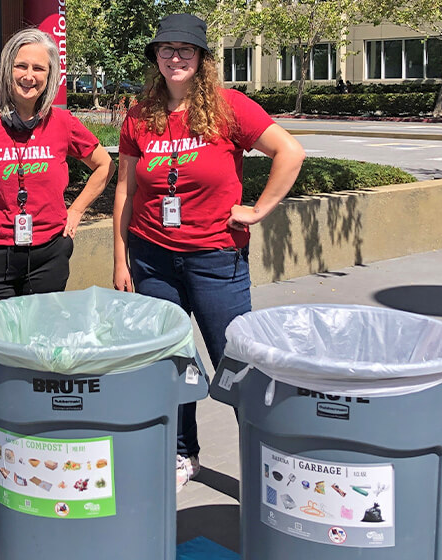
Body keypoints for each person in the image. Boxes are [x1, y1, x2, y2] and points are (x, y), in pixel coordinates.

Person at [0, 27, 115, 538]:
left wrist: (76, 212)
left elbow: (102, 165)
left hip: (46, 259)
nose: (29, 76)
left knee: (40, 362)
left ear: (50, 75)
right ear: (6, 71)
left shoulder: (62, 124)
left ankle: (34, 471)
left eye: (39, 68)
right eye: (21, 66)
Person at [112, 14, 305, 492]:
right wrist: (121, 258)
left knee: (236, 363)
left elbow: (290, 151)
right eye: (166, 50)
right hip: (152, 257)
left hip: (216, 259)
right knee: (170, 360)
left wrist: (259, 210)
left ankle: (268, 463)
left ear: (201, 59)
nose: (175, 58)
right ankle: (182, 454)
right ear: (154, 58)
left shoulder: (228, 108)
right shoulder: (139, 113)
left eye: (186, 50)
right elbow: (125, 188)